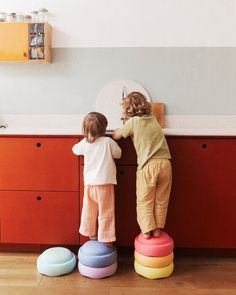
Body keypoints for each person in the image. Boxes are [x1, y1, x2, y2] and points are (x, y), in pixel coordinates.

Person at [112, 92, 172, 239]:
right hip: (165, 164)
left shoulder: (133, 123)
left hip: (147, 166)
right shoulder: (153, 120)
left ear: (127, 109)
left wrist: (118, 129)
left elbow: (116, 136)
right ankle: (157, 229)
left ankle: (146, 231)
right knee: (161, 200)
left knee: (145, 200)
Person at [72, 112, 122, 247]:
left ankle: (91, 234)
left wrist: (85, 140)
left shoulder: (85, 143)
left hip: (90, 184)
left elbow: (75, 150)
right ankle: (107, 239)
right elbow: (118, 154)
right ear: (104, 128)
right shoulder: (109, 142)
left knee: (89, 209)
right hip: (105, 183)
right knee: (106, 211)